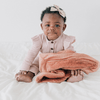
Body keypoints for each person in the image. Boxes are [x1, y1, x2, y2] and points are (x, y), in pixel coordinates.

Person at [15, 5, 84, 83]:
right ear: (42, 26)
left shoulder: (66, 40)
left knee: (66, 66)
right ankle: (28, 75)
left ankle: (71, 77)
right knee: (35, 64)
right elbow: (31, 54)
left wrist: (74, 67)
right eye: (47, 25)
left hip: (59, 61)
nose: (51, 28)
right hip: (42, 60)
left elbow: (70, 54)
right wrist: (24, 68)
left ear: (63, 27)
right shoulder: (39, 39)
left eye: (57, 25)